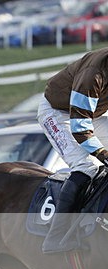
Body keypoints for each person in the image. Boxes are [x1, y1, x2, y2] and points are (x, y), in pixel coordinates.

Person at [38, 47, 108, 253]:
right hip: (59, 113)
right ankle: (55, 235)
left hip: (89, 114)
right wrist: (103, 155)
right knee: (85, 166)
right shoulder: (93, 74)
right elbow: (80, 126)